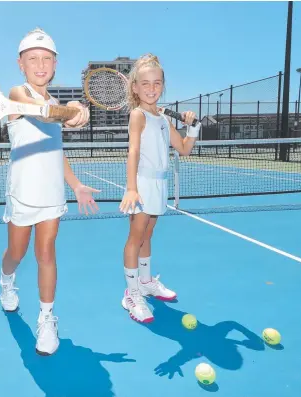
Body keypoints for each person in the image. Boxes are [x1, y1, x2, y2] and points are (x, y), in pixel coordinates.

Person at [0, 28, 99, 356]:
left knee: (46, 254)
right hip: (22, 195)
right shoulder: (18, 93)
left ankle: (46, 319)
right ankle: (7, 281)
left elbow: (57, 151)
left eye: (46, 59)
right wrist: (72, 111)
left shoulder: (53, 102)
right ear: (21, 64)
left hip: (52, 195)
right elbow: (41, 111)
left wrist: (77, 185)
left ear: (55, 65)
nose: (40, 65)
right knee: (16, 253)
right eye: (33, 59)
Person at [119, 54, 200, 323]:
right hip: (142, 183)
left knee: (148, 234)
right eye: (145, 83)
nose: (151, 88)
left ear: (163, 85)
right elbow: (133, 151)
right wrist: (131, 188)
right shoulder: (138, 114)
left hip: (160, 183)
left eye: (157, 83)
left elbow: (185, 149)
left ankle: (145, 282)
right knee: (135, 236)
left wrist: (193, 127)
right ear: (135, 87)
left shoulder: (164, 119)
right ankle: (132, 295)